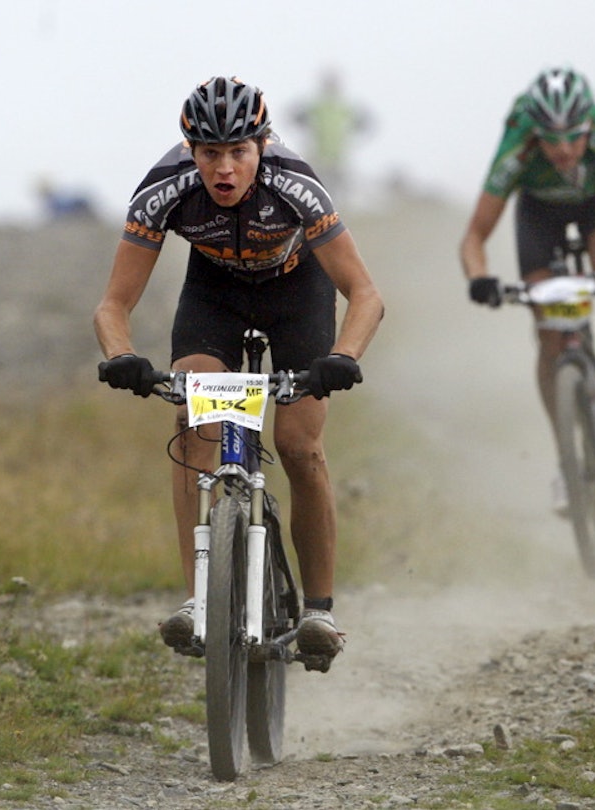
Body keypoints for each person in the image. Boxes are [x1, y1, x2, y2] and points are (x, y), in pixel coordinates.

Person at [93, 77, 384, 666]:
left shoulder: (297, 184)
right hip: (215, 297)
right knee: (194, 425)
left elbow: (364, 293)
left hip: (296, 295)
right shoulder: (164, 190)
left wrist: (343, 359)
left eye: (238, 152)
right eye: (209, 154)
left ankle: (319, 611)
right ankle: (199, 601)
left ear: (262, 144)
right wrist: (122, 356)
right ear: (190, 152)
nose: (224, 169)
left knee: (298, 445)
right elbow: (113, 305)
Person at [458, 66, 595, 514]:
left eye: (573, 137)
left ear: (589, 126)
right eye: (550, 139)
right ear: (534, 132)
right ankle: (567, 461)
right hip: (538, 215)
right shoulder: (516, 148)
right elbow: (474, 236)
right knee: (549, 330)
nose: (562, 149)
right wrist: (479, 279)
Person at [290, 68, 371, 202]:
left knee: (338, 187)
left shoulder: (343, 106)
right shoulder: (317, 105)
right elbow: (296, 115)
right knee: (319, 185)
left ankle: (338, 213)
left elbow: (364, 121)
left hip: (338, 154)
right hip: (319, 153)